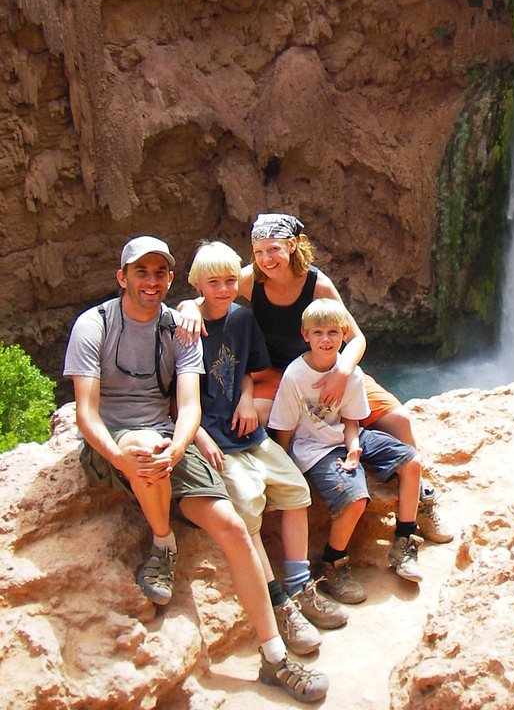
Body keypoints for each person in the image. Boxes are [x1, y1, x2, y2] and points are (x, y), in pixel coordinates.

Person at [63, 235, 328, 704]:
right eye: (140, 272)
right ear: (121, 277)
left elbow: (187, 407)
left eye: (158, 272)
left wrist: (179, 446)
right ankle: (164, 543)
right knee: (145, 449)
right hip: (117, 440)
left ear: (169, 279)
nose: (150, 281)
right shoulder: (95, 324)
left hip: (169, 437)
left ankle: (273, 656)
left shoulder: (180, 327)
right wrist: (121, 456)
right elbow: (86, 413)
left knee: (231, 525)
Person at [177, 212, 453, 545]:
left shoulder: (316, 283)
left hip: (325, 366)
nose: (266, 259)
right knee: (258, 417)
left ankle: (420, 498)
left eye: (274, 250)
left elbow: (357, 338)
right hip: (278, 372)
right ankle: (280, 481)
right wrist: (187, 307)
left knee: (398, 417)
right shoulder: (252, 279)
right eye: (259, 251)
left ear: (292, 246)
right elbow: (210, 291)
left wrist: (341, 372)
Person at [187, 240, 348, 655]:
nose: (223, 289)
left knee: (295, 489)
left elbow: (251, 372)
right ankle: (278, 604)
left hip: (247, 432)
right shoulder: (184, 327)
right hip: (211, 437)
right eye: (213, 283)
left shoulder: (242, 319)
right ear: (196, 285)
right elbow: (172, 393)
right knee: (247, 505)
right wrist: (197, 435)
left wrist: (245, 398)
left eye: (229, 281)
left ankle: (300, 587)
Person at [269, 297, 424, 604]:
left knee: (412, 462)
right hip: (313, 448)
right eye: (318, 333)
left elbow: (351, 419)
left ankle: (404, 541)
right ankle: (333, 563)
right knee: (355, 499)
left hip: (347, 437)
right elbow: (283, 427)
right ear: (305, 336)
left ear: (343, 334)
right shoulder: (295, 376)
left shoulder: (350, 373)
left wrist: (354, 448)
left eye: (332, 333)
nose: (326, 340)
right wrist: (284, 465)